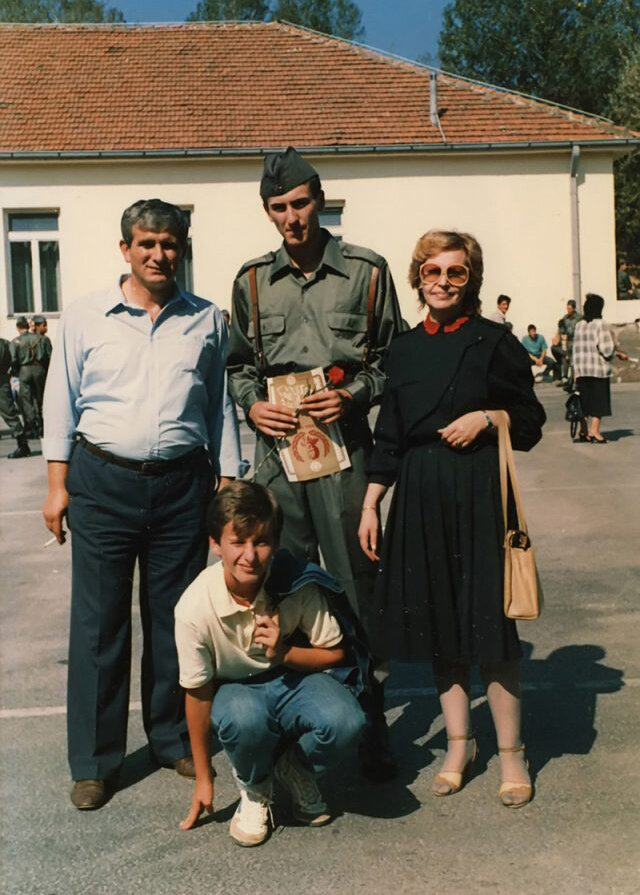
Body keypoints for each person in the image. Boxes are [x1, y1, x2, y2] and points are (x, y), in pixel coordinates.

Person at [42, 198, 243, 811]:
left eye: (170, 244)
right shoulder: (83, 318)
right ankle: (96, 761)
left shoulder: (207, 320)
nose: (159, 255)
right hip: (102, 482)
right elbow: (61, 402)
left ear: (182, 248)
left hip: (183, 487)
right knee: (99, 624)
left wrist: (229, 488)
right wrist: (58, 487)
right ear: (125, 249)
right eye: (147, 244)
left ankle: (171, 738)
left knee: (173, 621)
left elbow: (220, 407)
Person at [227, 146, 403, 780]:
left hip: (344, 450)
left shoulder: (366, 270)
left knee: (358, 583)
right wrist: (251, 406)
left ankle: (371, 719)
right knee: (276, 583)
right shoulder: (251, 279)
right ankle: (286, 733)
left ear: (320, 200)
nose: (291, 218)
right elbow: (239, 365)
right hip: (278, 457)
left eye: (299, 204)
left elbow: (392, 360)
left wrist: (354, 393)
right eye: (278, 208)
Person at [358, 230, 546, 809]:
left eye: (455, 273)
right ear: (417, 278)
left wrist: (488, 417)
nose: (442, 282)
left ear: (472, 280)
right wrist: (371, 503)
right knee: (441, 627)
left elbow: (532, 418)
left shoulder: (495, 341)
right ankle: (459, 747)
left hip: (478, 492)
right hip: (418, 494)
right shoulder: (404, 349)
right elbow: (387, 436)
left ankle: (512, 754)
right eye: (432, 271)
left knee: (490, 625)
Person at [176, 480, 366, 847]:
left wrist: (284, 654)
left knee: (347, 721)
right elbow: (197, 694)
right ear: (216, 544)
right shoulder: (193, 608)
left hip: (290, 673)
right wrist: (204, 776)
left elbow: (336, 652)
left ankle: (294, 767)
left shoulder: (294, 580)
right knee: (243, 719)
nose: (250, 555)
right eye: (238, 542)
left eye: (261, 542)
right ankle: (254, 785)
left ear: (275, 544)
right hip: (236, 688)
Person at [572, 293, 628, 443]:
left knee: (583, 401)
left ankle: (583, 431)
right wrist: (617, 354)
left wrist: (575, 371)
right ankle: (594, 432)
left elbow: (575, 349)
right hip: (598, 369)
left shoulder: (579, 325)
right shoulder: (600, 324)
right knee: (598, 401)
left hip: (582, 369)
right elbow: (606, 349)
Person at [11, 315, 50, 437]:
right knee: (41, 398)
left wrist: (17, 372)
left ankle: (31, 427)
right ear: (28, 326)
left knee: (26, 400)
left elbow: (13, 360)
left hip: (24, 371)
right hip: (40, 370)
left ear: (18, 327)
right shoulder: (42, 339)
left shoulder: (15, 341)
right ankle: (43, 425)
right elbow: (49, 356)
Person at [0, 337, 31, 458]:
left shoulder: (4, 344)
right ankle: (23, 445)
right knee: (10, 414)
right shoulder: (6, 343)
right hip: (3, 379)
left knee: (9, 414)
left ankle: (23, 445)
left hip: (1, 382)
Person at [551, 299, 582, 386]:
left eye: (570, 308)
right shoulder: (565, 318)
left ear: (574, 308)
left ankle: (572, 382)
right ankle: (566, 379)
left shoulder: (579, 318)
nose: (568, 310)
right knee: (566, 358)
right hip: (568, 342)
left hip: (577, 341)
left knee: (573, 362)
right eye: (567, 308)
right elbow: (562, 330)